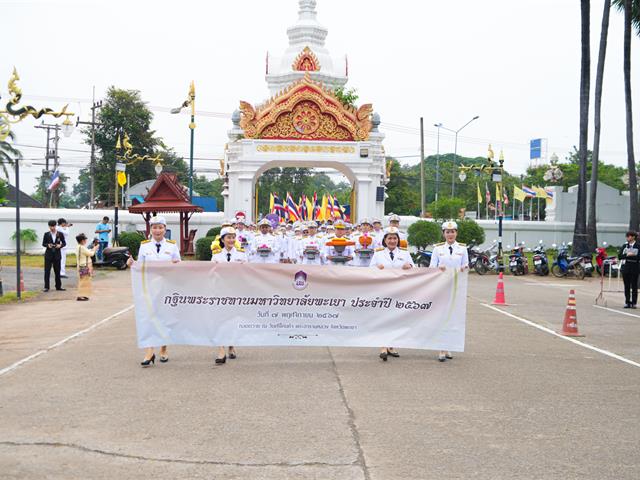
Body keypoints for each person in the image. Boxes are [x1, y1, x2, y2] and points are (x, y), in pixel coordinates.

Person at [126, 216, 181, 367]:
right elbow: (140, 266)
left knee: (164, 318)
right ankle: (149, 351)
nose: (157, 230)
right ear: (151, 229)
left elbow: (179, 266)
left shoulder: (172, 245)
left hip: (166, 287)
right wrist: (131, 263)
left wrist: (176, 264)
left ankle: (163, 348)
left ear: (165, 229)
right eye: (155, 227)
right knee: (149, 317)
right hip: (149, 287)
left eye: (160, 227)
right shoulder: (144, 246)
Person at [369, 227, 414, 361]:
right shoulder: (378, 253)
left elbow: (415, 268)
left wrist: (410, 267)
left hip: (400, 290)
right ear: (385, 240)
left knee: (396, 318)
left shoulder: (405, 253)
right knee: (383, 318)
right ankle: (383, 346)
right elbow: (370, 270)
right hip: (383, 290)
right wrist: (376, 268)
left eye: (395, 238)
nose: (392, 241)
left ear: (398, 240)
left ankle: (391, 345)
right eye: (389, 238)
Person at [429, 220, 469, 362]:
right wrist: (438, 269)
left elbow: (466, 264)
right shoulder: (437, 249)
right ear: (443, 234)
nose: (450, 234)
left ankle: (449, 345)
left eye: (452, 231)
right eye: (447, 232)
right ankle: (441, 347)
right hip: (442, 287)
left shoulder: (463, 249)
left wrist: (465, 267)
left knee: (453, 317)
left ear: (456, 233)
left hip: (457, 286)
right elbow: (431, 267)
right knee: (442, 316)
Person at [211, 227, 247, 364]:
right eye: (228, 237)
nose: (231, 240)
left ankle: (231, 345)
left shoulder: (242, 254)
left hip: (235, 291)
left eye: (233, 237)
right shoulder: (216, 254)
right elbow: (211, 271)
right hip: (220, 291)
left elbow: (247, 273)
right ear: (222, 239)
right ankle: (221, 350)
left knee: (232, 319)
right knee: (219, 319)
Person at [42, 220, 66, 292]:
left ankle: (58, 286)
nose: (52, 228)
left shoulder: (60, 234)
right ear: (49, 226)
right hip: (48, 255)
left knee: (57, 271)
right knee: (47, 271)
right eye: (50, 226)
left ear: (56, 226)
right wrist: (48, 245)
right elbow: (43, 243)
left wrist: (60, 245)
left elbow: (64, 243)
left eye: (53, 226)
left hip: (57, 255)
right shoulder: (46, 234)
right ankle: (46, 287)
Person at [619, 231, 640, 308]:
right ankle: (627, 302)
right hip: (626, 267)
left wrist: (631, 255)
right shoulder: (625, 246)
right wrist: (627, 255)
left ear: (633, 237)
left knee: (634, 286)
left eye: (629, 236)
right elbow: (620, 256)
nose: (627, 238)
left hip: (635, 267)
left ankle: (634, 303)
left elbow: (638, 256)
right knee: (626, 285)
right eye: (627, 236)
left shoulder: (638, 246)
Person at [75, 233, 98, 301]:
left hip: (82, 265)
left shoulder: (79, 246)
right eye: (85, 239)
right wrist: (95, 248)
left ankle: (83, 295)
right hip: (84, 266)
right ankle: (80, 295)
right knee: (84, 281)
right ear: (82, 240)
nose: (86, 241)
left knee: (85, 281)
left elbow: (87, 252)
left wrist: (93, 248)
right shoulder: (82, 247)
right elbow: (91, 254)